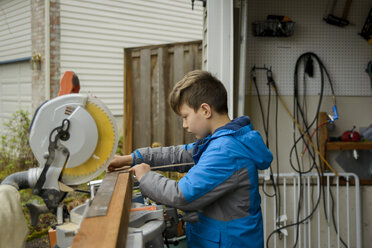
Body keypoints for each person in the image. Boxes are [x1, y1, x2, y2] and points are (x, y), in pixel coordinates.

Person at [108, 70, 273, 247]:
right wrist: (132, 158)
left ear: (205, 110)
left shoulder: (226, 150)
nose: (185, 125)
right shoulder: (220, 141)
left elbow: (182, 195)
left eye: (185, 117)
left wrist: (146, 176)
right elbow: (177, 155)